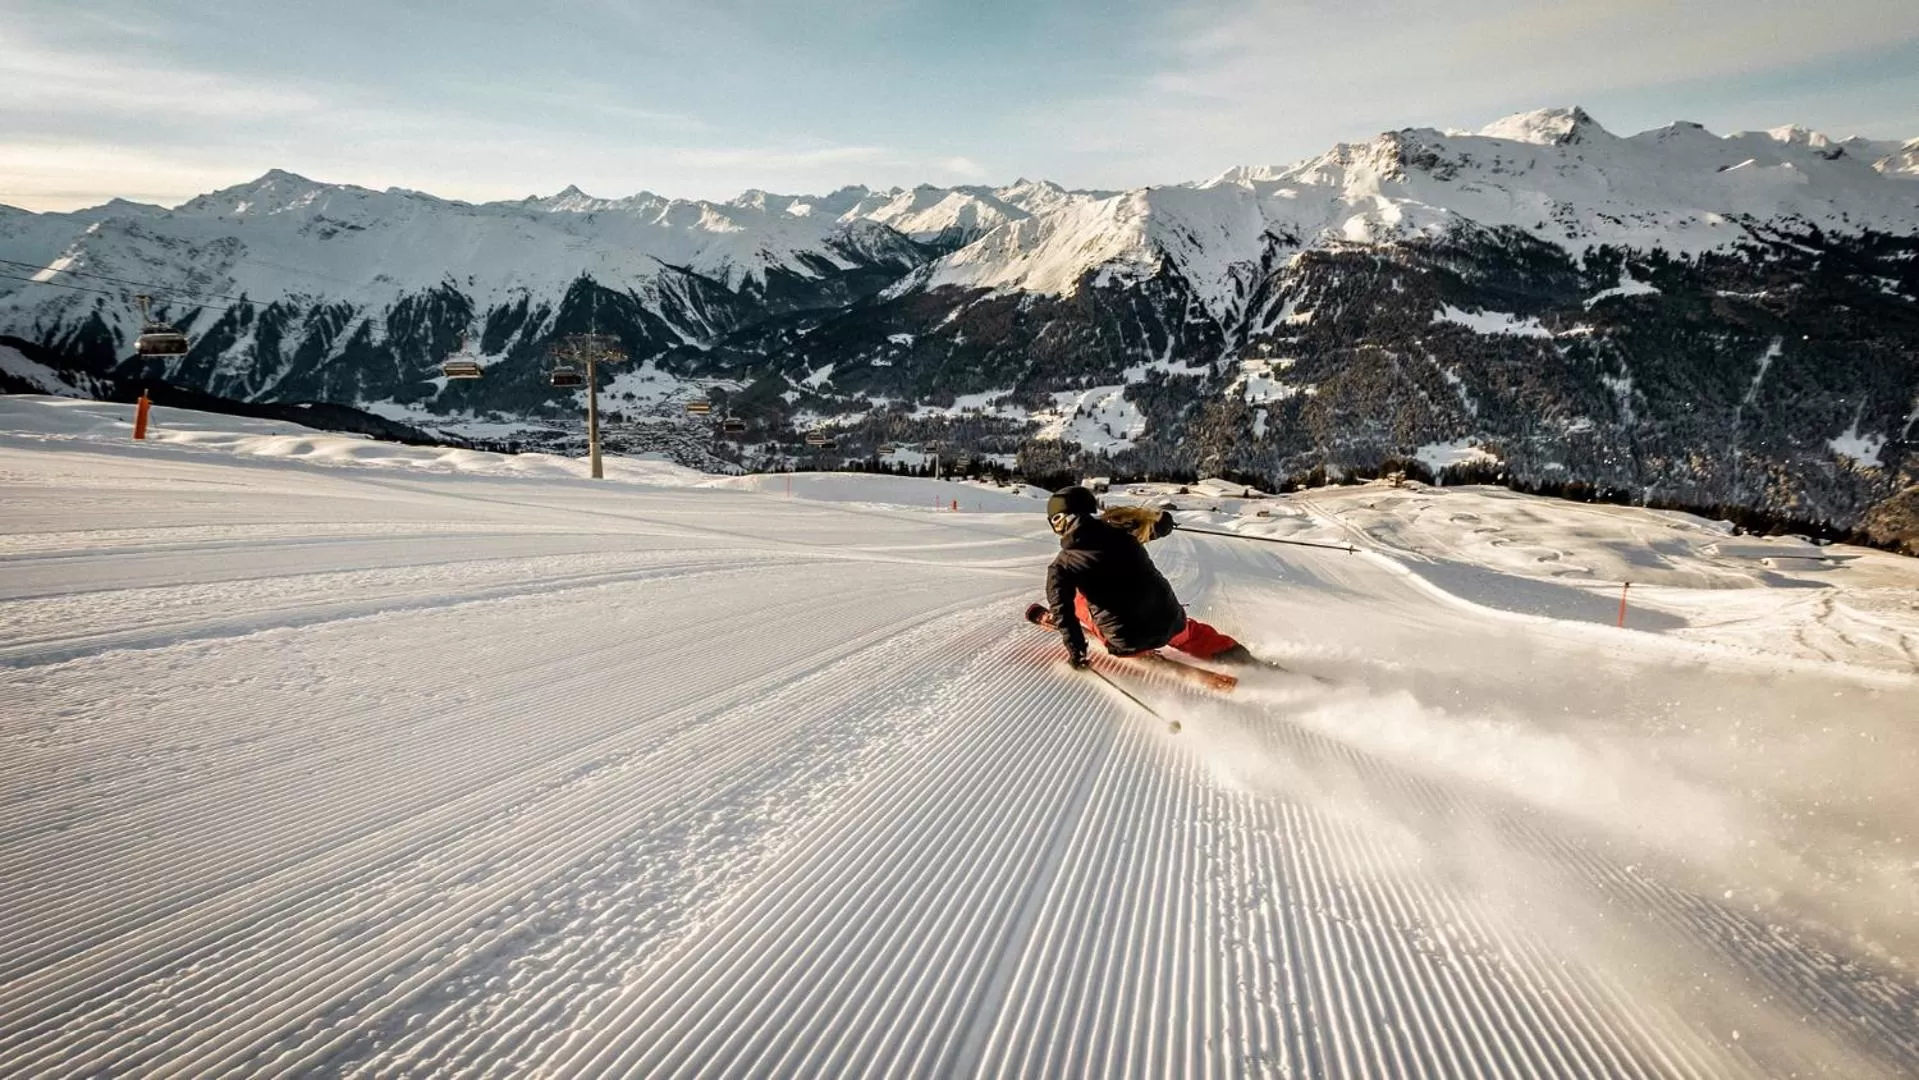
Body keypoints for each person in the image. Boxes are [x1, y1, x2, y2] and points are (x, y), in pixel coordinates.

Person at [1027, 485, 1258, 668]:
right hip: (1171, 622)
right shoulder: (1124, 530)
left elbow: (1063, 613)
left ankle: (1136, 644)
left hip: (1127, 641)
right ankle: (1248, 663)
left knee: (1076, 598)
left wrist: (1077, 653)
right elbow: (1160, 525)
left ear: (1059, 521)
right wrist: (1167, 522)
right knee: (1192, 634)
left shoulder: (1061, 567)